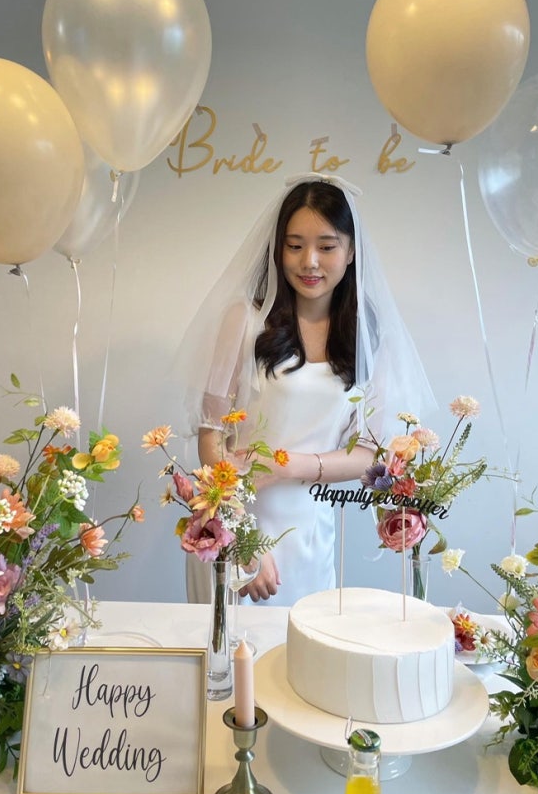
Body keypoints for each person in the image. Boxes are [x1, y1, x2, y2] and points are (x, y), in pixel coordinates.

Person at [177, 173, 433, 606]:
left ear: (351, 251)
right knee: (230, 644)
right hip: (237, 521)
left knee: (304, 640)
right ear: (278, 249)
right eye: (294, 246)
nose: (309, 261)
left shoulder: (369, 334)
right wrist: (243, 539)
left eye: (326, 247)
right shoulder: (245, 320)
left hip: (310, 532)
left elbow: (369, 455)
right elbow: (211, 435)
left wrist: (282, 465)